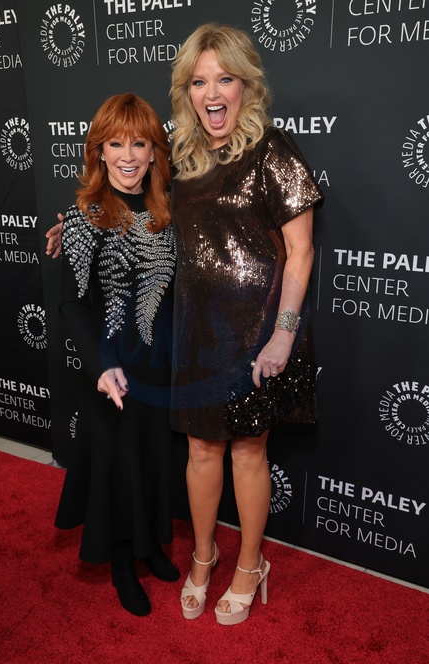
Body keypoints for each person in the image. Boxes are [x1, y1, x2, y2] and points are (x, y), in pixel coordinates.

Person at [169, 23, 324, 625]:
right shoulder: (181, 159)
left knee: (248, 452)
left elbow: (301, 250)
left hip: (257, 332)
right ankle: (203, 558)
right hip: (197, 333)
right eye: (198, 81)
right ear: (186, 91)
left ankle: (251, 564)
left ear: (246, 87)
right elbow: (128, 199)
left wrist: (283, 333)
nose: (212, 93)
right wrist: (77, 222)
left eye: (224, 79)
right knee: (200, 449)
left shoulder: (273, 151)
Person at [54, 93, 179, 617]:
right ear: (99, 152)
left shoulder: (167, 211)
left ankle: (151, 546)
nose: (128, 156)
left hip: (159, 366)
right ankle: (123, 561)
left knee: (152, 458)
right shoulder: (85, 216)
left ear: (154, 152)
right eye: (116, 144)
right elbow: (72, 303)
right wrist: (101, 365)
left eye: (140, 143)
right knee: (118, 462)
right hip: (111, 368)